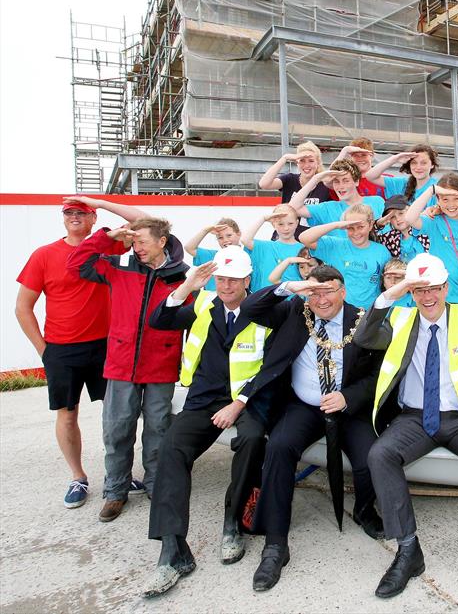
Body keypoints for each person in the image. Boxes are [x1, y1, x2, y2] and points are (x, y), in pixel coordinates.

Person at [354, 254, 458, 599]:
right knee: (380, 454)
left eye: (434, 289)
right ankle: (408, 549)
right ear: (411, 292)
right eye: (419, 291)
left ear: (446, 288)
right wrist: (394, 291)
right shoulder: (400, 318)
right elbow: (364, 337)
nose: (427, 297)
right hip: (414, 417)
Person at [239, 267, 385, 592]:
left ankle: (363, 510)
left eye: (328, 291)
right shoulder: (295, 311)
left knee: (370, 457)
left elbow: (379, 372)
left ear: (343, 292)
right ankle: (275, 543)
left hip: (347, 408)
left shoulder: (363, 319)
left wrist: (348, 397)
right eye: (314, 292)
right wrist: (290, 287)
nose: (321, 299)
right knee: (278, 447)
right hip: (303, 406)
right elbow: (250, 309)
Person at [142, 247, 273, 597]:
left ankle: (233, 522)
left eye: (233, 279)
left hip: (248, 400)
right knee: (171, 447)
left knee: (252, 441)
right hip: (204, 399)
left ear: (248, 280)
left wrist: (239, 404)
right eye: (221, 278)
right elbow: (159, 320)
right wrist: (187, 286)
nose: (226, 285)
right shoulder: (203, 304)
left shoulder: (264, 311)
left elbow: (274, 366)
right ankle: (172, 550)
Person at [15, 196, 148, 508]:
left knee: (119, 412)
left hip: (106, 345)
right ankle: (78, 477)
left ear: (92, 219)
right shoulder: (44, 255)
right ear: (63, 219)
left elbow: (143, 219)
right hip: (61, 348)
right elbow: (23, 308)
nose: (75, 216)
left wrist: (99, 202)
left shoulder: (108, 244)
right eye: (69, 212)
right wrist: (44, 350)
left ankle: (119, 473)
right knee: (67, 413)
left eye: (82, 212)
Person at [67, 217, 189, 522]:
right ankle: (115, 491)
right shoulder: (119, 265)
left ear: (162, 242)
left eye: (143, 242)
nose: (137, 248)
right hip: (122, 363)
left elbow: (192, 318)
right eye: (134, 243)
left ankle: (155, 485)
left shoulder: (181, 275)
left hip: (161, 363)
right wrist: (108, 237)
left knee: (158, 429)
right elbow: (76, 264)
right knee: (117, 430)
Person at [404, 173, 458, 306]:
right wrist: (431, 190)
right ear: (438, 200)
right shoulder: (434, 221)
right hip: (440, 298)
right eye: (445, 199)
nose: (451, 204)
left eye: (456, 198)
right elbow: (409, 218)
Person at [297, 203, 391, 310]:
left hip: (370, 312)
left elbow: (386, 284)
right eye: (350, 228)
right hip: (339, 312)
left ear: (370, 225)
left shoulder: (382, 251)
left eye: (360, 227)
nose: (356, 232)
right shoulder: (335, 246)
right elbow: (304, 238)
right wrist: (336, 225)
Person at [289, 158, 385, 237]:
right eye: (336, 181)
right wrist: (316, 179)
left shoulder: (377, 202)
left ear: (356, 182)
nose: (341, 186)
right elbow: (292, 209)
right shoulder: (327, 208)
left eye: (346, 180)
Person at [241, 205, 304, 291]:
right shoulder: (266, 247)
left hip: (293, 300)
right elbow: (245, 240)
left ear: (297, 223)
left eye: (290, 223)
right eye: (280, 224)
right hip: (267, 299)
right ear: (273, 224)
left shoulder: (304, 249)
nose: (286, 228)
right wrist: (263, 219)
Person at [257, 141, 331, 206]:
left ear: (318, 163)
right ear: (297, 163)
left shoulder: (326, 185)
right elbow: (264, 184)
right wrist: (284, 158)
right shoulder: (289, 179)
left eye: (311, 161)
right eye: (302, 160)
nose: (306, 165)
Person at [364, 144, 440, 206]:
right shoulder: (401, 183)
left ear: (432, 165)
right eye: (414, 163)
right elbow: (370, 176)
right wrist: (395, 158)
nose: (418, 167)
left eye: (424, 163)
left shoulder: (439, 186)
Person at [183, 218, 245, 292]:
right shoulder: (212, 256)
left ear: (239, 234)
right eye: (220, 237)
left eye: (229, 235)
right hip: (211, 300)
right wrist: (206, 230)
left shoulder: (247, 257)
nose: (225, 240)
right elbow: (189, 248)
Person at [373, 194, 430, 262]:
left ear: (410, 211)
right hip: (403, 272)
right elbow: (368, 240)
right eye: (392, 217)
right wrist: (378, 224)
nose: (397, 219)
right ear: (389, 220)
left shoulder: (425, 228)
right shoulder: (390, 238)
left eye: (401, 213)